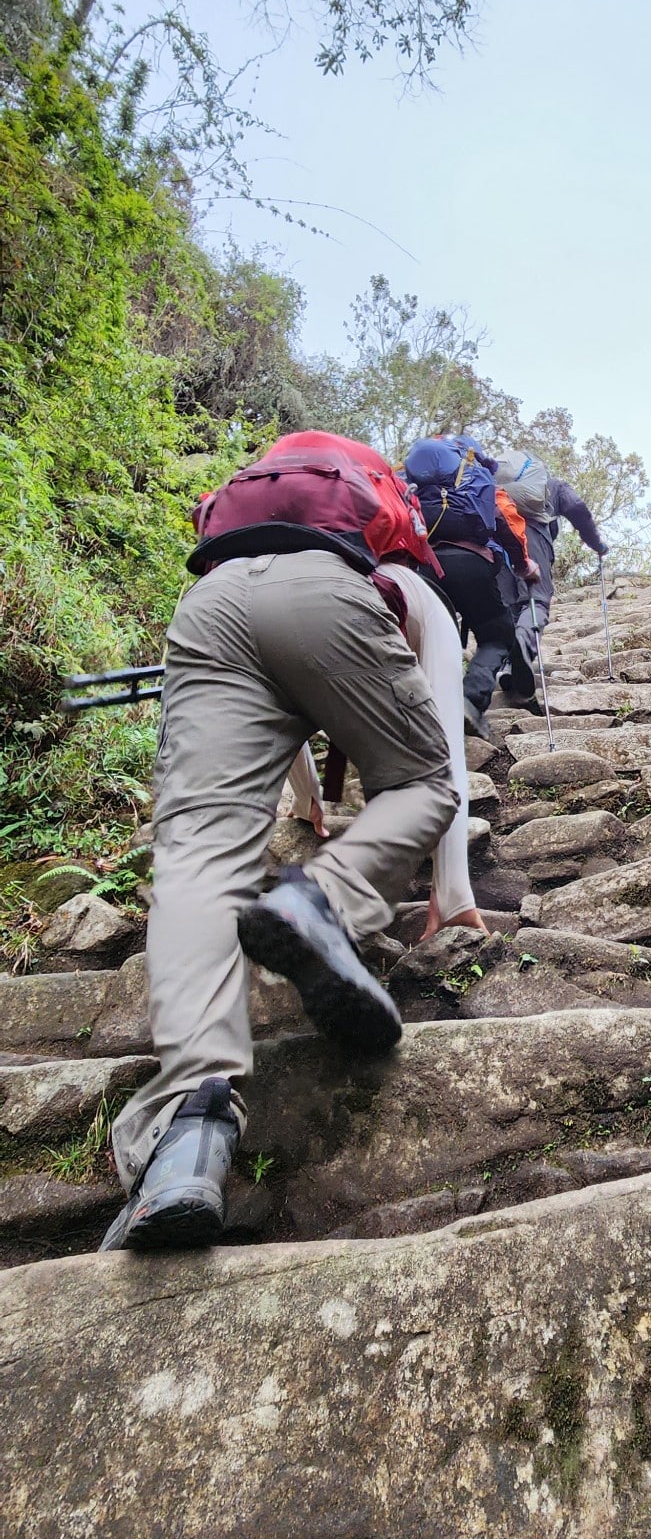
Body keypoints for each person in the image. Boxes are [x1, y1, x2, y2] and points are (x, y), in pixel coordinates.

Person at [100, 431, 458, 1254]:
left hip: (212, 603)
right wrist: (444, 889)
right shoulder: (385, 526)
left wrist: (307, 808)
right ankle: (321, 901)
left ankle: (188, 1135)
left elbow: (282, 744)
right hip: (327, 597)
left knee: (195, 852)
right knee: (419, 780)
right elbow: (436, 759)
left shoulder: (250, 499)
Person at [286, 556, 485, 938]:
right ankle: (452, 899)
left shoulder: (244, 568)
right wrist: (455, 892)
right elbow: (446, 756)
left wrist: (306, 798)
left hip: (249, 612)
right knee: (437, 746)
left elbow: (280, 723)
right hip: (395, 601)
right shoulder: (400, 579)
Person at [404, 434, 538, 736]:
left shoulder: (412, 479)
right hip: (472, 564)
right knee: (496, 634)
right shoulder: (478, 479)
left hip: (421, 568)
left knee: (434, 640)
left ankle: (422, 713)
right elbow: (505, 521)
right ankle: (470, 699)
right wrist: (523, 564)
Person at [494, 454, 608, 699]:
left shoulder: (498, 488)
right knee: (536, 600)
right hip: (533, 541)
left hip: (498, 545)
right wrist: (597, 545)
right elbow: (578, 509)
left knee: (507, 606)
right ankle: (524, 642)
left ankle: (507, 664)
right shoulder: (553, 486)